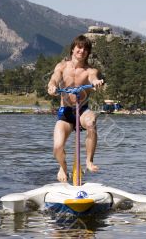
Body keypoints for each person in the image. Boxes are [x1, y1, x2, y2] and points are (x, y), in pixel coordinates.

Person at [47, 35, 104, 182]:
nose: (82, 50)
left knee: (91, 121)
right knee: (57, 147)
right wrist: (52, 86)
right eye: (79, 47)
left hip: (82, 111)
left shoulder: (90, 70)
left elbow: (93, 78)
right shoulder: (62, 66)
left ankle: (89, 161)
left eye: (85, 49)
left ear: (88, 53)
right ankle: (63, 167)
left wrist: (96, 82)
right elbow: (55, 77)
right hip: (65, 112)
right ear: (73, 48)